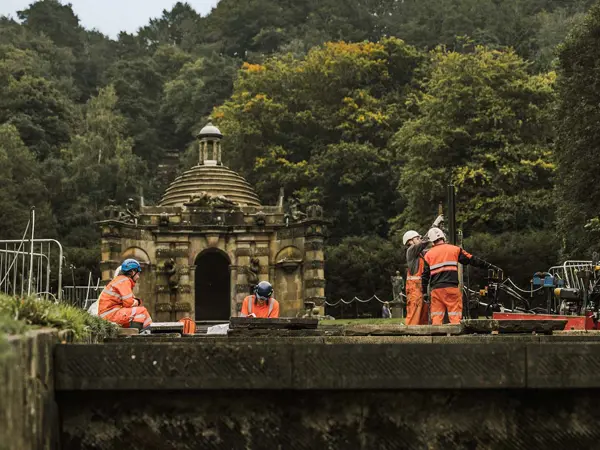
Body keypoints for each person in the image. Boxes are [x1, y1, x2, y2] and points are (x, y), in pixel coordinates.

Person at [421, 227, 495, 325]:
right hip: (451, 288)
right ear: (443, 237)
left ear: (431, 241)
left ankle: (437, 336)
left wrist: (424, 292)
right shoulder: (455, 249)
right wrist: (488, 265)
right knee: (454, 315)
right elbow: (471, 259)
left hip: (436, 290)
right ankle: (455, 337)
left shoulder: (428, 254)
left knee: (436, 317)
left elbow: (425, 275)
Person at [402, 214, 444, 326]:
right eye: (417, 238)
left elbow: (434, 249)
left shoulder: (420, 254)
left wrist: (440, 234)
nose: (420, 239)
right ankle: (409, 334)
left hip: (421, 288)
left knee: (424, 313)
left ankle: (422, 335)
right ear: (409, 241)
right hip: (414, 289)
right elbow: (425, 240)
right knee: (414, 313)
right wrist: (435, 225)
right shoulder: (411, 250)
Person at [98, 258, 153, 332]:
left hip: (109, 314)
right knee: (141, 311)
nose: (138, 277)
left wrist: (135, 301)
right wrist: (136, 302)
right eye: (138, 274)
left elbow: (130, 301)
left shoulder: (121, 280)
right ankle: (138, 334)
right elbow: (128, 303)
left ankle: (146, 331)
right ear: (132, 272)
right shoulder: (125, 281)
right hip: (110, 314)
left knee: (141, 312)